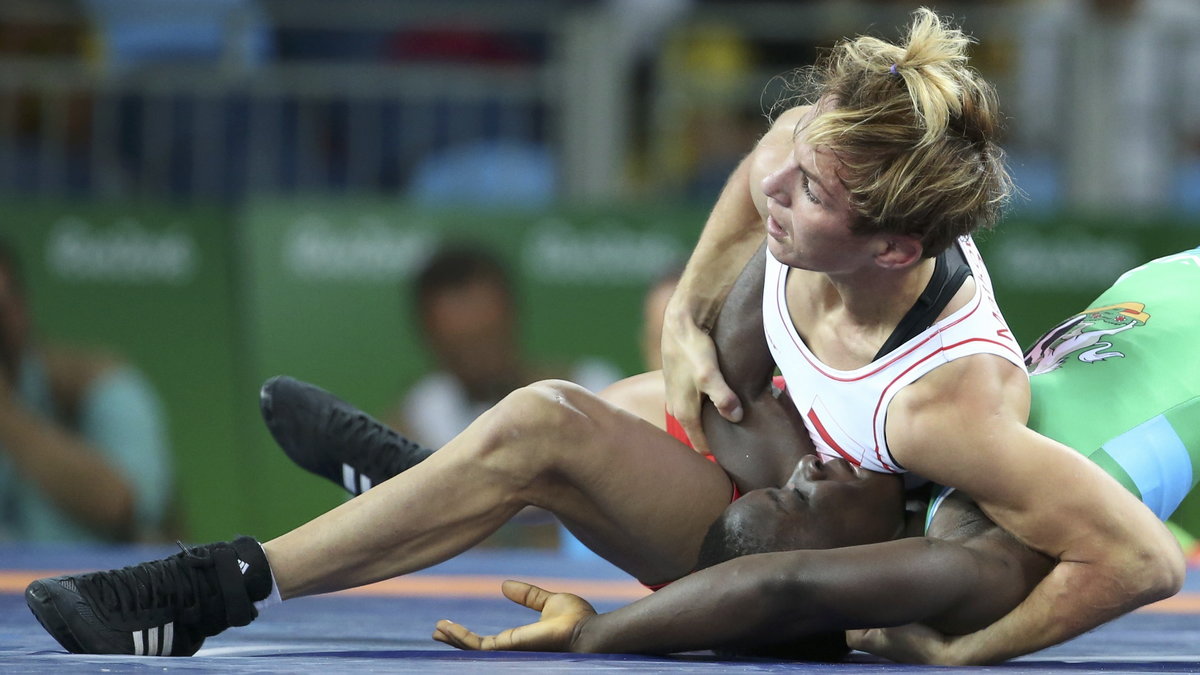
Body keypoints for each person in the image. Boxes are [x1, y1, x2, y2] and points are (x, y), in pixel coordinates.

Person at [22, 9, 1181, 663]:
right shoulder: (824, 158)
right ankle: (433, 485)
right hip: (773, 444)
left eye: (810, 199)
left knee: (536, 426)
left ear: (892, 249)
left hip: (800, 570)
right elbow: (760, 164)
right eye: (798, 162)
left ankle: (213, 586)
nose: (778, 194)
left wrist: (954, 658)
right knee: (705, 338)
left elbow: (1138, 558)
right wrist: (684, 314)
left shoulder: (956, 406)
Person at [655, 6, 1181, 664]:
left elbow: (1147, 562)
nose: (805, 465)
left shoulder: (953, 454)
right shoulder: (958, 489)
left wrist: (960, 657)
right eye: (791, 498)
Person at [431, 245, 1200, 660]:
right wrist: (592, 635)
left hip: (1155, 285)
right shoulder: (975, 539)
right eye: (795, 499)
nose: (803, 468)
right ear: (848, 563)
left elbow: (788, 579)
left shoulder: (921, 457)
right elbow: (783, 585)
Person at [0, 241, 174, 542]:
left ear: (18, 308)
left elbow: (124, 506)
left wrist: (7, 414)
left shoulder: (94, 385)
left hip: (92, 581)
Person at [385, 243, 620, 451]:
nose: (477, 360)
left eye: (486, 339)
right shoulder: (413, 424)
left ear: (513, 316)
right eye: (459, 350)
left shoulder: (593, 391)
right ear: (429, 339)